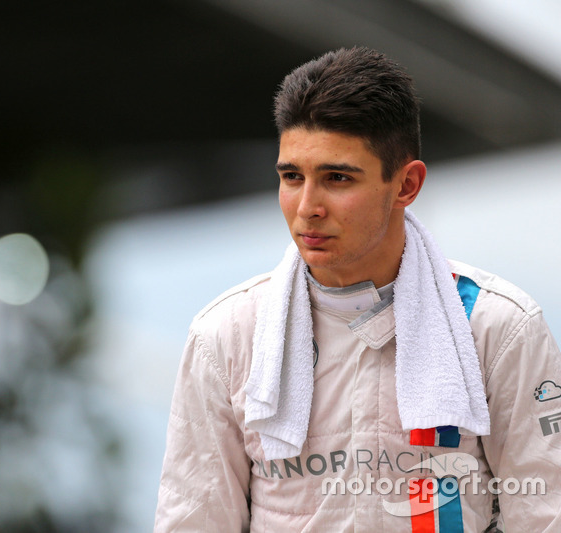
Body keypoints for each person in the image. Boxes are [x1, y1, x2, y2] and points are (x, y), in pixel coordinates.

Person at [154, 47, 561, 532]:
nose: (307, 206)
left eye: (337, 178)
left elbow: (545, 516)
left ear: (406, 184)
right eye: (291, 177)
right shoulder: (225, 336)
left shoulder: (498, 327)